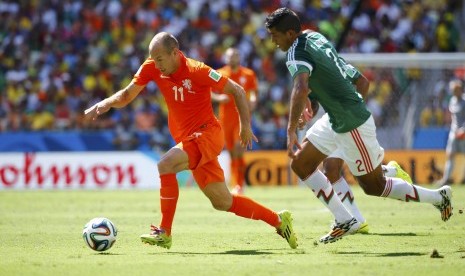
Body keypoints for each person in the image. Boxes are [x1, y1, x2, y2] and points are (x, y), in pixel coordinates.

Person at [84, 32, 297, 249]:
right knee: (223, 202)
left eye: (160, 59)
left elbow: (238, 91)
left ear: (175, 53)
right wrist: (106, 103)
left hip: (207, 134)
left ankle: (164, 232)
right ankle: (279, 220)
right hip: (190, 140)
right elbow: (128, 94)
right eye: (153, 59)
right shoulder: (152, 66)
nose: (156, 65)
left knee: (166, 164)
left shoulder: (198, 70)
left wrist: (246, 126)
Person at [265, 8, 453, 244]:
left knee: (374, 187)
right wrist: (317, 102)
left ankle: (438, 197)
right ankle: (346, 219)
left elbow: (300, 87)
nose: (272, 41)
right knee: (302, 163)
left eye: (275, 35)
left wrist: (291, 129)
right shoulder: (314, 37)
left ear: (290, 33)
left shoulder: (294, 52)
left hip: (351, 123)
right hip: (337, 118)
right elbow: (359, 82)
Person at [211, 48, 258, 194]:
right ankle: (236, 182)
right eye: (230, 56)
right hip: (225, 119)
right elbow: (207, 90)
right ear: (226, 58)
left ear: (239, 58)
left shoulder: (248, 74)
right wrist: (219, 98)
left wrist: (252, 101)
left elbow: (254, 93)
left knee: (238, 148)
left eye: (235, 56)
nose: (233, 58)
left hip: (241, 118)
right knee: (232, 152)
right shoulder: (219, 73)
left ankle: (239, 184)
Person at [437, 79, 465, 186]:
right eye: (453, 90)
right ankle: (447, 178)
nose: (454, 92)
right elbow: (454, 118)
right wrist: (454, 129)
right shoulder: (452, 100)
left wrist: (463, 130)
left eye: (456, 90)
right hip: (454, 132)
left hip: (463, 132)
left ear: (460, 90)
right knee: (450, 155)